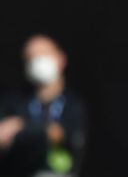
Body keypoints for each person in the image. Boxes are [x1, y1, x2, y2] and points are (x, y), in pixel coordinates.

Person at [0, 34, 87, 177]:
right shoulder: (12, 102)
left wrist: (21, 126)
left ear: (61, 59)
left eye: (43, 54)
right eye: (31, 57)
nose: (37, 61)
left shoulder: (75, 104)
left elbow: (61, 133)